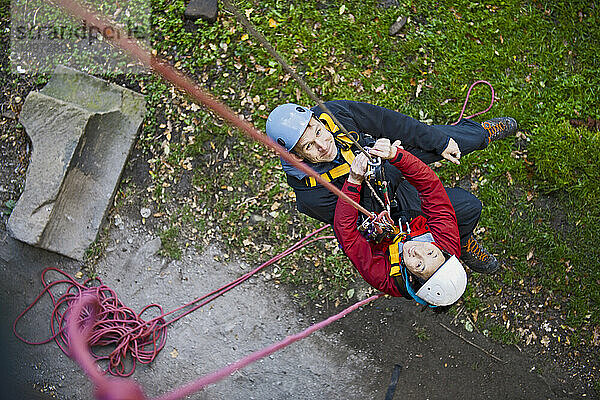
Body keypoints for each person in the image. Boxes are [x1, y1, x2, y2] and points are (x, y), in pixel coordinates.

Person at [266, 100, 517, 273]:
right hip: (389, 211)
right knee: (467, 207)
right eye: (309, 146)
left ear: (315, 120)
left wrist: (438, 142)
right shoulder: (312, 195)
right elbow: (359, 221)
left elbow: (389, 122)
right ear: (297, 157)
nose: (323, 145)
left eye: (318, 132)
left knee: (440, 140)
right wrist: (381, 170)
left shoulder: (332, 115)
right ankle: (462, 242)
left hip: (383, 162)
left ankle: (479, 134)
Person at [333, 139, 467, 306]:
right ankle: (478, 135)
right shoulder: (447, 243)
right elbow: (431, 188)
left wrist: (353, 182)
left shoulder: (384, 278)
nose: (417, 250)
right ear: (442, 252)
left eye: (419, 265)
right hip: (412, 219)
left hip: (377, 232)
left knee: (313, 203)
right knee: (471, 206)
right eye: (431, 253)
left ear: (411, 277)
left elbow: (347, 237)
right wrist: (396, 155)